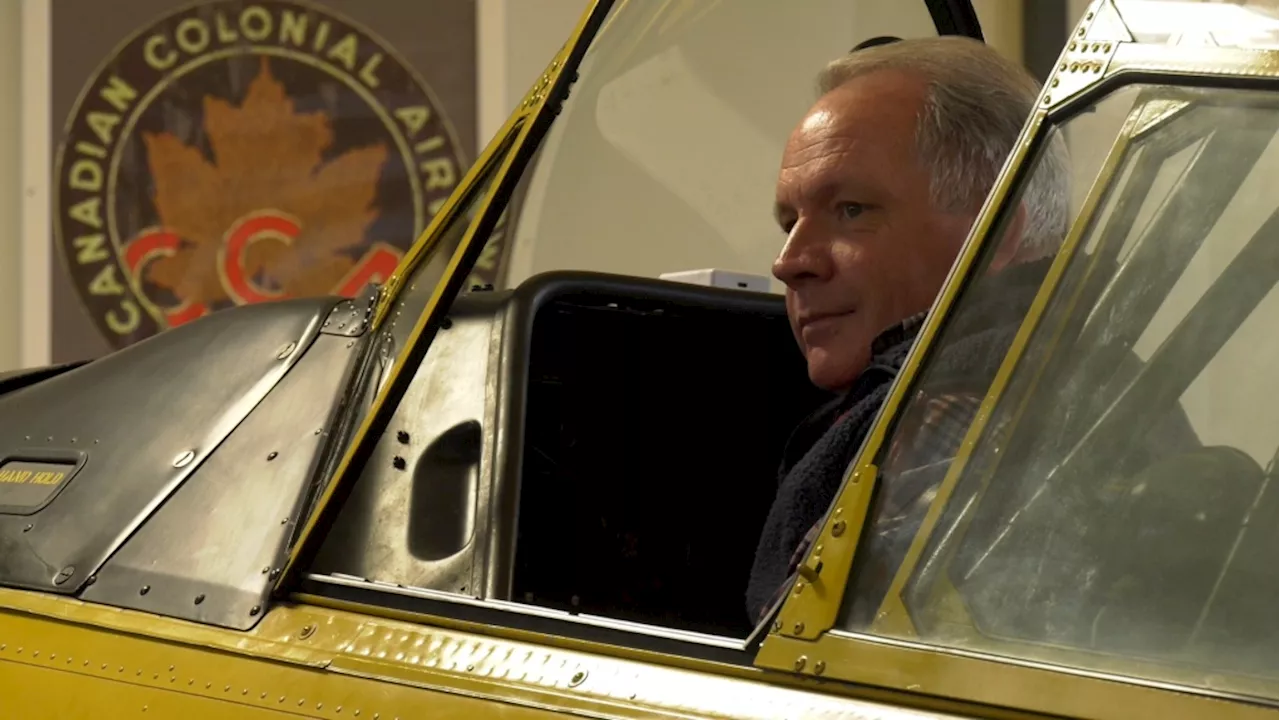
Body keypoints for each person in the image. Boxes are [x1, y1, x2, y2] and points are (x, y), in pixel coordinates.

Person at [745, 35, 1070, 623]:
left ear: (993, 234)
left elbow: (798, 669)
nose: (789, 262)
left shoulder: (956, 413)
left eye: (852, 210)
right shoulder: (1077, 381)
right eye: (790, 222)